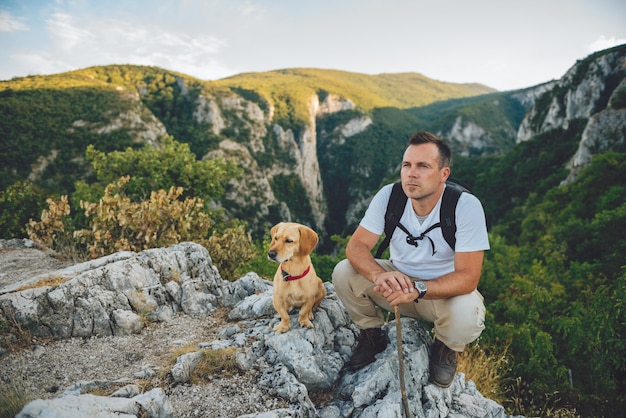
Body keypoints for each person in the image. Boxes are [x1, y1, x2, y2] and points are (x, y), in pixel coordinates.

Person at [332, 131, 489, 388]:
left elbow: (468, 277)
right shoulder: (390, 196)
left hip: (440, 293)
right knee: (343, 272)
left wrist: (418, 289)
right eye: (407, 165)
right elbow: (357, 246)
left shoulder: (464, 206)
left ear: (443, 174)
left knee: (468, 313)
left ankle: (445, 347)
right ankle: (372, 333)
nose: (411, 173)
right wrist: (378, 275)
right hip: (394, 285)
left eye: (423, 166)